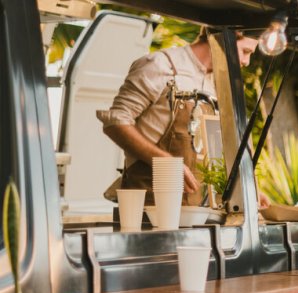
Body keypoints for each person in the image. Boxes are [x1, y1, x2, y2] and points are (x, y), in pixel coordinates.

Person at [98, 31, 269, 208]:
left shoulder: (219, 84)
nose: (246, 62)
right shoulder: (161, 66)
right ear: (225, 39)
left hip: (200, 213)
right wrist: (167, 163)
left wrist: (249, 190)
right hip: (149, 210)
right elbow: (115, 121)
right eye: (245, 51)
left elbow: (217, 151)